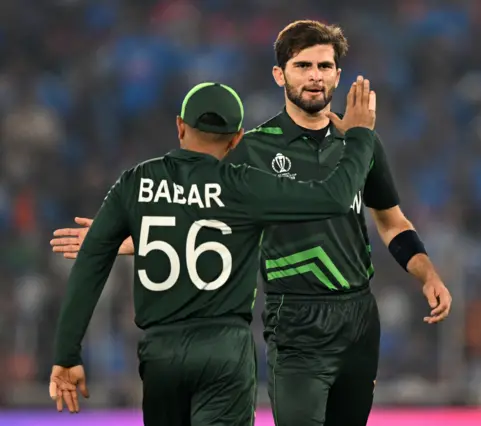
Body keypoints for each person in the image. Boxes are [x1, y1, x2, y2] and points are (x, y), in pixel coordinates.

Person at [51, 20, 453, 426]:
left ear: (337, 74)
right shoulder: (251, 149)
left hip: (359, 317)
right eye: (303, 65)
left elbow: (390, 220)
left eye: (325, 66)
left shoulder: (363, 143)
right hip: (294, 316)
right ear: (280, 74)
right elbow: (205, 213)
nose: (315, 75)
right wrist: (134, 237)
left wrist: (426, 274)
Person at [48, 78, 378, 426]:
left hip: (161, 352)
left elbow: (91, 264)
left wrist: (67, 354)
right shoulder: (246, 185)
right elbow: (336, 198)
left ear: (179, 126)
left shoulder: (135, 182)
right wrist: (359, 136)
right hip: (225, 350)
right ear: (237, 139)